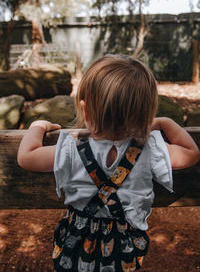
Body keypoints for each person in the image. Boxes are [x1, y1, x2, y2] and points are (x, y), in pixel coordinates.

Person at [17, 54, 199, 272]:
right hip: (124, 253)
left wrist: (37, 125)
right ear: (146, 114)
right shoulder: (151, 151)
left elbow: (26, 157)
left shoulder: (71, 151)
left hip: (75, 249)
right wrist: (166, 122)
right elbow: (191, 153)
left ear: (86, 111)